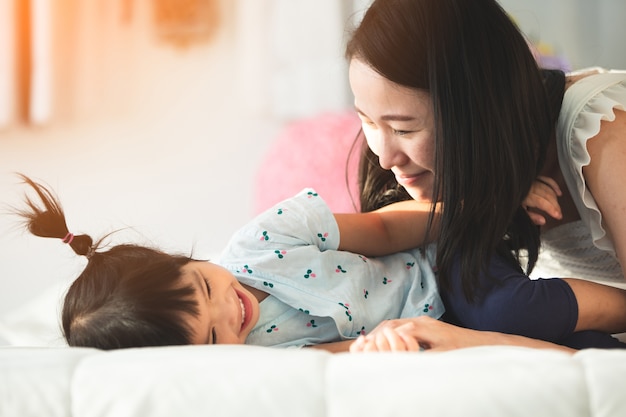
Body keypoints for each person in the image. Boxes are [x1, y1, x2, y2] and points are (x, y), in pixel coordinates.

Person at [14, 174, 626, 352]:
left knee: (506, 307)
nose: (232, 311)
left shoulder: (262, 242)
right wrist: (376, 348)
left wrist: (480, 204)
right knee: (546, 348)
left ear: (189, 259)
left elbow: (387, 226)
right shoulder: (252, 361)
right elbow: (329, 360)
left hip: (437, 260)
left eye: (205, 285)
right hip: (432, 322)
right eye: (210, 335)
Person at [345, 0, 626, 348]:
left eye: (404, 130)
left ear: (479, 113)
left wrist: (477, 342)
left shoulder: (603, 133)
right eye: (368, 121)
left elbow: (509, 319)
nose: (384, 158)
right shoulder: (456, 181)